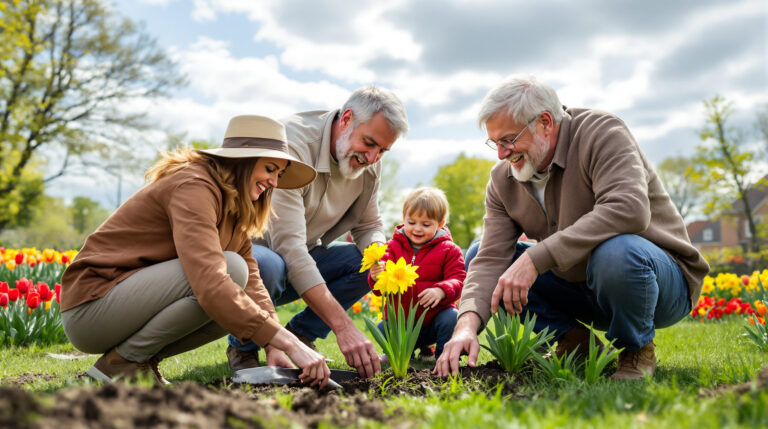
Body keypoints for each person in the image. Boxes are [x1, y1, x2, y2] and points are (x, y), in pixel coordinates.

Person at [434, 76, 710, 380]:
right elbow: (489, 258)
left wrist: (536, 258)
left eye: (509, 139)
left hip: (657, 282)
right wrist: (465, 326)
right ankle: (576, 343)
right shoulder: (503, 180)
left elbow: (628, 208)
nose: (501, 153)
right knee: (476, 253)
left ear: (545, 123)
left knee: (617, 251)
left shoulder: (602, 132)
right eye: (495, 142)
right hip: (583, 286)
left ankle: (636, 349)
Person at [61, 115, 333, 387]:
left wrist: (275, 346)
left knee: (238, 288)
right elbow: (210, 281)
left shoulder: (233, 206)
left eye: (279, 174)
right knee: (229, 272)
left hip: (125, 305)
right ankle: (123, 362)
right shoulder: (194, 186)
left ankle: (136, 361)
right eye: (270, 169)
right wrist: (290, 342)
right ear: (242, 160)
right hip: (92, 307)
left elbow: (253, 282)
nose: (274, 182)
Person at [226, 85, 409, 377]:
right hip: (256, 257)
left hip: (304, 256)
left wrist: (379, 259)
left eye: (383, 151)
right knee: (269, 265)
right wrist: (343, 327)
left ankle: (299, 335)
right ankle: (243, 347)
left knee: (363, 263)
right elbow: (289, 247)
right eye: (370, 143)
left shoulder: (370, 163)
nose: (373, 158)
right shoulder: (293, 145)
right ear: (347, 119)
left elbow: (369, 225)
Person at [369, 187, 466, 360]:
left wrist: (442, 290)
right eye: (411, 222)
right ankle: (404, 356)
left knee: (452, 317)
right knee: (383, 327)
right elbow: (380, 288)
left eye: (426, 224)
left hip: (433, 322)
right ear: (403, 219)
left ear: (440, 224)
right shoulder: (392, 248)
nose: (417, 229)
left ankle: (445, 355)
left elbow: (458, 279)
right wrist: (376, 275)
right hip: (402, 324)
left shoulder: (449, 250)